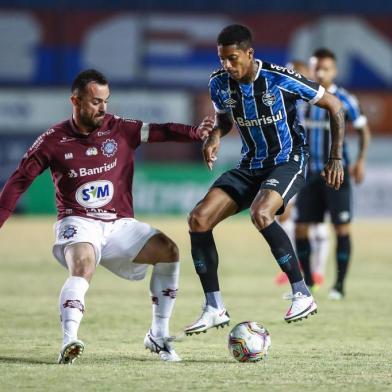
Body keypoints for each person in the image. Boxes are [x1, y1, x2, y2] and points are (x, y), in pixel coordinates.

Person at [0, 69, 213, 363]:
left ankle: (158, 335)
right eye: (96, 102)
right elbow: (18, 182)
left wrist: (195, 133)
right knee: (84, 264)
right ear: (75, 101)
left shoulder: (119, 129)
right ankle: (69, 341)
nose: (103, 108)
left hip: (118, 225)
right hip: (77, 222)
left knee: (169, 251)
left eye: (106, 101)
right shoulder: (52, 140)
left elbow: (160, 131)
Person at [184, 24, 346, 335]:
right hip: (250, 164)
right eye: (222, 59)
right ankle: (214, 307)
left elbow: (334, 107)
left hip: (288, 160)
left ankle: (302, 293)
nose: (227, 66)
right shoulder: (218, 83)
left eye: (233, 59)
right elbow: (224, 120)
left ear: (249, 53)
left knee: (262, 213)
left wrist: (335, 157)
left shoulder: (278, 78)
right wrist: (215, 136)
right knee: (198, 219)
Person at [295, 48, 371, 300]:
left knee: (341, 228)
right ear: (311, 68)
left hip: (335, 175)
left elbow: (363, 130)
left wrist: (360, 160)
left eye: (325, 68)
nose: (320, 72)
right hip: (307, 173)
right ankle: (308, 283)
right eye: (316, 67)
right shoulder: (302, 98)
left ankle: (339, 285)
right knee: (301, 228)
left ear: (334, 71)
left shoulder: (345, 99)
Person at [275, 60, 330, 288]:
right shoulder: (282, 100)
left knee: (316, 224)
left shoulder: (316, 101)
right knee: (283, 217)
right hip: (292, 165)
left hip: (316, 169)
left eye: (295, 72)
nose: (290, 76)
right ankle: (295, 266)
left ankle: (318, 272)